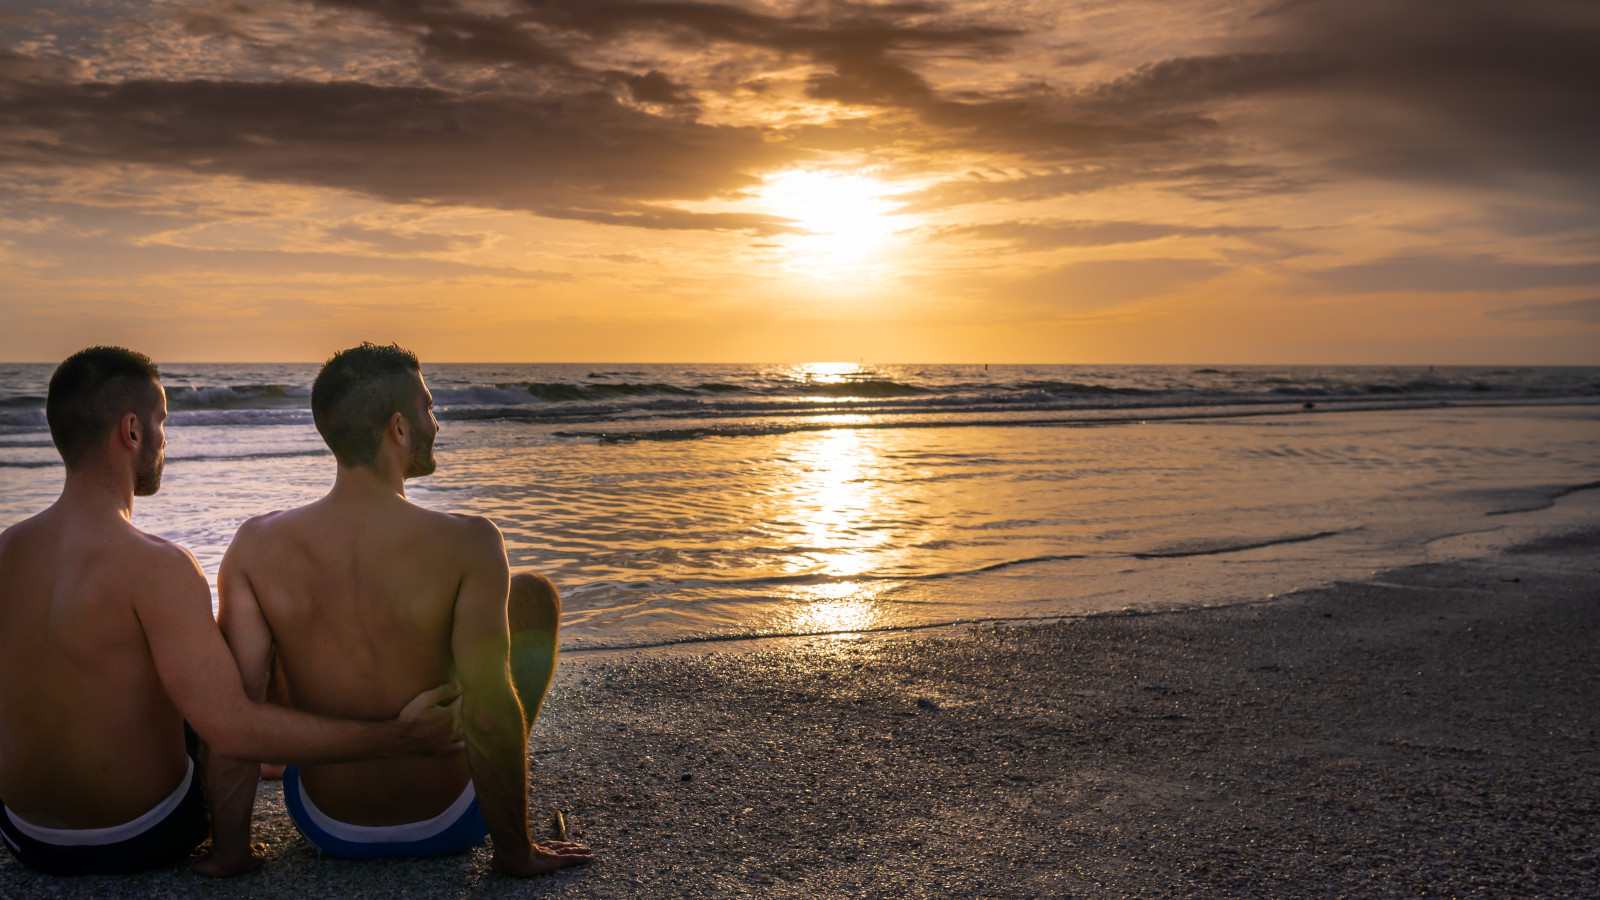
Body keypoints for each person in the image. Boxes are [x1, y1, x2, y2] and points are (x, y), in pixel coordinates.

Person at [0, 347, 463, 877]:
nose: (165, 440)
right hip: (139, 835)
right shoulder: (158, 567)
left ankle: (273, 747)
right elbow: (230, 730)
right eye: (162, 422)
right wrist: (398, 737)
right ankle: (278, 750)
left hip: (24, 835)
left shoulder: (5, 551)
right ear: (132, 431)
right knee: (232, 687)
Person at [201, 343, 591, 877]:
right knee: (532, 597)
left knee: (286, 641)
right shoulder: (471, 541)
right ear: (399, 429)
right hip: (448, 819)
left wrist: (230, 852)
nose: (437, 422)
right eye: (429, 409)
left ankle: (262, 798)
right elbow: (491, 703)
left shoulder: (254, 544)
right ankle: (500, 802)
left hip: (326, 821)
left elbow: (235, 716)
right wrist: (515, 850)